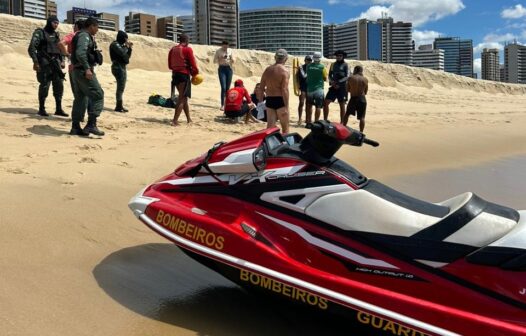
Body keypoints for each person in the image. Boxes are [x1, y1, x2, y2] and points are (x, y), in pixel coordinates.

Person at [70, 17, 105, 136]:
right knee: (98, 94)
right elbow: (80, 53)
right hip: (83, 71)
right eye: (97, 27)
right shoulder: (84, 36)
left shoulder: (81, 35)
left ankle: (75, 127)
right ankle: (91, 124)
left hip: (77, 71)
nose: (97, 30)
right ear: (91, 26)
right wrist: (87, 68)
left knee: (80, 98)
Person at [28, 15, 67, 117]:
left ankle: (58, 109)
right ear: (49, 22)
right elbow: (32, 48)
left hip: (56, 63)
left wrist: (62, 60)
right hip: (44, 63)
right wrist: (36, 62)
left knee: (59, 85)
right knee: (45, 85)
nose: (56, 25)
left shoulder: (56, 35)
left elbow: (60, 48)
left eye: (57, 23)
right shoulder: (40, 33)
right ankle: (41, 109)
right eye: (54, 22)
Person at [59, 19, 93, 120]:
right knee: (88, 93)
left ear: (77, 27)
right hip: (87, 67)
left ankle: (79, 117)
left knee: (78, 94)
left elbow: (61, 43)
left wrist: (67, 54)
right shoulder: (89, 36)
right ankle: (89, 116)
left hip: (74, 68)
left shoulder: (73, 35)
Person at [168, 34, 199, 125]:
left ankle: (189, 119)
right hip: (183, 75)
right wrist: (195, 73)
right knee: (181, 98)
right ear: (187, 40)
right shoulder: (187, 49)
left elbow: (170, 66)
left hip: (174, 75)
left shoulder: (172, 49)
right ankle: (175, 121)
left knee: (184, 97)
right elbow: (193, 64)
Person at [259, 49, 290, 134]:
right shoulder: (285, 71)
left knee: (270, 128)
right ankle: (285, 146)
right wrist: (286, 106)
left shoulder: (267, 70)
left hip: (269, 100)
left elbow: (261, 88)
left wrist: (260, 103)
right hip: (280, 100)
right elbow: (284, 89)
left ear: (275, 57)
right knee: (285, 128)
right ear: (286, 58)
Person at [110, 30, 133, 112]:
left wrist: (129, 49)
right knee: (120, 87)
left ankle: (119, 106)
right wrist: (127, 47)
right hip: (117, 67)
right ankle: (118, 106)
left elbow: (127, 57)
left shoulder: (121, 46)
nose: (126, 40)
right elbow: (122, 53)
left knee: (121, 87)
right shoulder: (115, 44)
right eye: (126, 38)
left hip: (122, 67)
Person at [323, 50, 349, 122]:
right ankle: (325, 120)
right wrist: (332, 82)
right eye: (337, 56)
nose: (338, 57)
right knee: (325, 103)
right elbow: (329, 75)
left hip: (342, 87)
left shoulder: (345, 65)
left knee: (342, 105)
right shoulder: (333, 64)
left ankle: (342, 122)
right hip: (333, 87)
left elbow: (347, 76)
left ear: (343, 56)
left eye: (340, 56)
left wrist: (338, 82)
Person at [344, 65, 369, 132]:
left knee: (347, 114)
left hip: (353, 98)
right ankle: (361, 132)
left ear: (355, 70)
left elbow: (347, 89)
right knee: (362, 117)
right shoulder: (365, 79)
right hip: (362, 99)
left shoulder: (350, 78)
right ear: (361, 71)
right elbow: (366, 92)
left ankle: (343, 128)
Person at [305, 51, 327, 123]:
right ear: (320, 58)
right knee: (318, 106)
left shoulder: (308, 66)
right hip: (319, 89)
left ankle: (308, 121)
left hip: (309, 89)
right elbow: (325, 78)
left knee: (309, 106)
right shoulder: (322, 67)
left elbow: (307, 75)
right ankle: (316, 122)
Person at [213, 40, 234, 111]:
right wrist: (221, 58)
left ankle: (227, 104)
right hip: (221, 69)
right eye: (224, 46)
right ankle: (222, 105)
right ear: (222, 45)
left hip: (229, 69)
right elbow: (214, 61)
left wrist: (233, 59)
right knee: (223, 87)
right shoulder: (218, 51)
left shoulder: (230, 50)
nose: (225, 48)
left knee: (228, 88)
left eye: (227, 46)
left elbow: (234, 59)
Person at [297, 55, 312, 125]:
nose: (309, 61)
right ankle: (300, 118)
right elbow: (298, 77)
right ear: (305, 60)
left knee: (308, 104)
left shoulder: (312, 68)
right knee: (301, 102)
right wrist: (297, 87)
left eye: (310, 60)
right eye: (307, 60)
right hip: (302, 87)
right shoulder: (301, 67)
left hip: (310, 87)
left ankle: (307, 119)